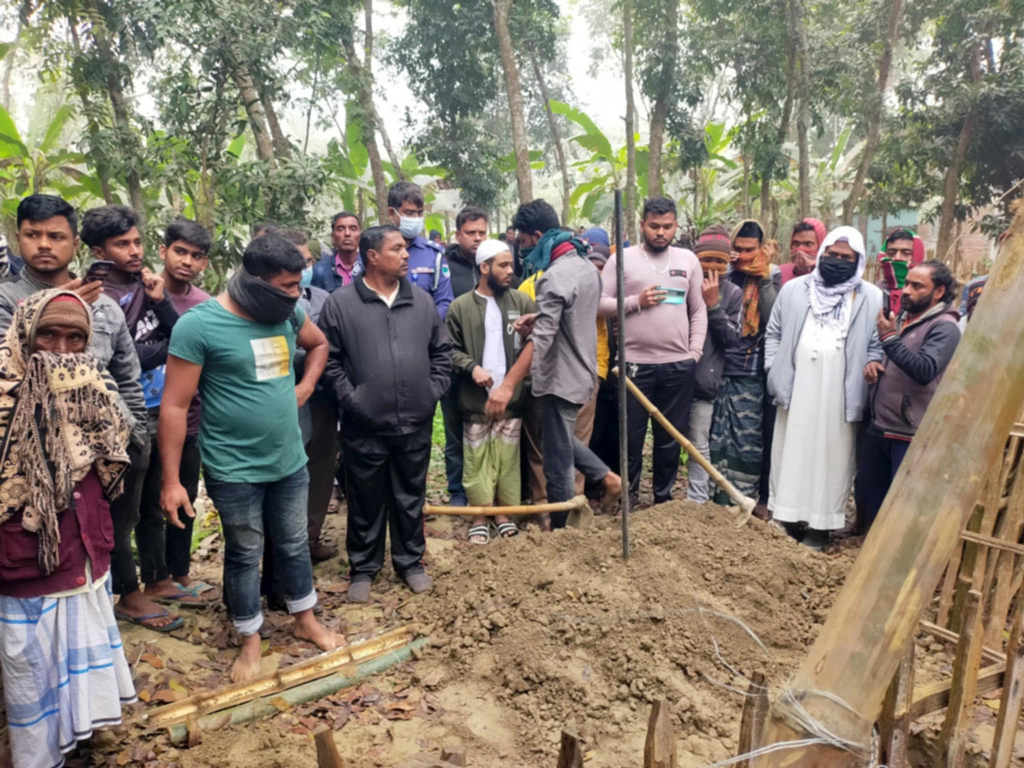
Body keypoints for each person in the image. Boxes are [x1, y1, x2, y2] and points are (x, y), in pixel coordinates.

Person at [160, 232, 341, 682]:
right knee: (244, 552)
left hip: (289, 460)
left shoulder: (287, 312)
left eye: (299, 285)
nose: (296, 295)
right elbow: (175, 406)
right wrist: (171, 480)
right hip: (234, 468)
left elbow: (318, 345)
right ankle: (250, 639)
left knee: (295, 543)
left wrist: (305, 387)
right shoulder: (199, 326)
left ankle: (305, 619)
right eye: (286, 286)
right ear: (255, 281)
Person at [0, 196, 159, 628]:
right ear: (20, 238)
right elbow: (12, 374)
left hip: (103, 455)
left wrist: (135, 436)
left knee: (104, 539)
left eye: (56, 236)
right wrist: (60, 302)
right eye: (33, 235)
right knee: (39, 557)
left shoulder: (105, 306)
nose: (44, 245)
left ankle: (102, 630)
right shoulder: (6, 300)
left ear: (75, 244)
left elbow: (127, 376)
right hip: (33, 461)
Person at [0, 290, 135, 768]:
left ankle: (78, 741)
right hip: (24, 564)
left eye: (75, 338)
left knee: (76, 664)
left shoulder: (94, 390)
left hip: (82, 553)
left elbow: (113, 459)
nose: (60, 350)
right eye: (48, 335)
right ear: (24, 333)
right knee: (28, 668)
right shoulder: (2, 392)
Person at [317, 225, 451, 603]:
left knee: (410, 494)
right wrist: (353, 399)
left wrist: (432, 392)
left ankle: (409, 563)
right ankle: (363, 567)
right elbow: (329, 361)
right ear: (372, 257)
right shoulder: (341, 304)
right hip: (364, 425)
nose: (407, 254)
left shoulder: (420, 301)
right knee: (365, 496)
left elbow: (441, 353)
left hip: (415, 421)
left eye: (406, 249)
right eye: (397, 249)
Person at [81, 205, 197, 619]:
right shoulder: (98, 295)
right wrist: (177, 349)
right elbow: (128, 358)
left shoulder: (143, 283)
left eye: (136, 242)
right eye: (121, 244)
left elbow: (176, 331)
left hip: (160, 406)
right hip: (123, 414)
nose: (134, 251)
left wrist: (161, 301)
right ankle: (127, 592)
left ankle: (157, 578)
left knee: (154, 502)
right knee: (122, 509)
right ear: (98, 249)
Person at [765, 226, 884, 549]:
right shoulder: (794, 290)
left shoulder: (871, 296)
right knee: (790, 451)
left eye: (846, 258)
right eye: (832, 255)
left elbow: (877, 344)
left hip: (840, 393)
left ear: (857, 261)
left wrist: (872, 364)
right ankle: (785, 519)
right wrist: (773, 368)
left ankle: (821, 527)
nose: (837, 261)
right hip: (795, 386)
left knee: (832, 455)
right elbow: (773, 333)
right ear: (822, 254)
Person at [513, 199, 621, 528]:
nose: (522, 247)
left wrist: (508, 383)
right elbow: (573, 316)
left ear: (537, 235)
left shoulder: (553, 276)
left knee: (557, 466)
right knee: (557, 437)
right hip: (584, 372)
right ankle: (605, 475)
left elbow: (542, 339)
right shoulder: (586, 266)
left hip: (559, 378)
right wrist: (540, 316)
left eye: (523, 240)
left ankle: (561, 534)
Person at [598, 198, 707, 505]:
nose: (661, 232)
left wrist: (693, 354)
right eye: (654, 226)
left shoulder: (688, 260)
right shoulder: (622, 260)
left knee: (669, 440)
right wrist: (635, 301)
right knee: (630, 439)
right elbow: (600, 303)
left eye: (667, 226)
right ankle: (629, 499)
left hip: (677, 366)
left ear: (676, 226)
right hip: (633, 366)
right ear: (642, 224)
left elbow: (698, 310)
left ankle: (663, 500)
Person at [135, 219, 216, 608]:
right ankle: (155, 578)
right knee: (151, 501)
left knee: (184, 494)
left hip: (190, 417)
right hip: (145, 415)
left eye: (196, 256)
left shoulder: (206, 306)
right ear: (163, 250)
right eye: (179, 251)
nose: (186, 261)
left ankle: (181, 572)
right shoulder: (139, 295)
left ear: (204, 263)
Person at [857, 261, 960, 531]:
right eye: (906, 283)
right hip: (881, 425)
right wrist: (873, 364)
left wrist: (889, 339)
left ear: (938, 292)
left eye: (917, 286)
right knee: (872, 497)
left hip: (910, 432)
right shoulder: (902, 318)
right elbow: (888, 355)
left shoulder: (945, 327)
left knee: (901, 506)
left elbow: (925, 370)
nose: (906, 290)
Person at [446, 239, 536, 544]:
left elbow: (535, 344)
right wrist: (472, 367)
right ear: (484, 268)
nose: (510, 271)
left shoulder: (522, 303)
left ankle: (503, 514)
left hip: (512, 397)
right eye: (503, 265)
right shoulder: (460, 307)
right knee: (476, 456)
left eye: (511, 264)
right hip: (475, 399)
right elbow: (449, 350)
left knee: (508, 457)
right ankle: (480, 514)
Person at [265, 227, 337, 563]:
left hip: (320, 397)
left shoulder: (322, 299)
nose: (306, 267)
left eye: (309, 261)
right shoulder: (261, 302)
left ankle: (310, 538)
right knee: (285, 474)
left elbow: (329, 344)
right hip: (279, 402)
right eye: (299, 261)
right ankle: (280, 549)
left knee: (320, 468)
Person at [708, 219, 780, 511]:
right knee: (716, 434)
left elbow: (773, 315)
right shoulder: (721, 272)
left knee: (747, 436)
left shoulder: (771, 275)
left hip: (751, 368)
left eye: (750, 250)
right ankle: (716, 496)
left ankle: (744, 497)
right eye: (737, 249)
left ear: (760, 249)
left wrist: (762, 278)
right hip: (718, 364)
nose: (743, 255)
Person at [686, 226, 743, 503]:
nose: (712, 267)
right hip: (674, 376)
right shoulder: (684, 284)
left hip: (704, 383)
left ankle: (696, 502)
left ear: (728, 263)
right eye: (706, 259)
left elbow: (732, 337)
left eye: (719, 261)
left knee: (698, 443)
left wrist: (713, 306)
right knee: (667, 440)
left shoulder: (732, 294)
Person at [440, 206, 490, 507]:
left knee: (487, 427)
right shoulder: (445, 266)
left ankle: (487, 487)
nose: (477, 238)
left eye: (482, 232)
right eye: (470, 233)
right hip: (452, 363)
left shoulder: (496, 265)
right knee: (454, 430)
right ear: (457, 234)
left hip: (489, 364)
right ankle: (458, 491)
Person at [386, 181, 454, 318]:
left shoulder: (434, 254)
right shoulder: (373, 252)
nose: (416, 218)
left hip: (425, 333)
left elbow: (445, 302)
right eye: (409, 213)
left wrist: (424, 326)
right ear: (391, 213)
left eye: (420, 213)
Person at [878, 228, 925, 315]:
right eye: (891, 253)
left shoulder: (926, 292)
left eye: (906, 253)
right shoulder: (877, 290)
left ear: (917, 256)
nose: (897, 258)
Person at [312, 211, 362, 293]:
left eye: (353, 228)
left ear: (360, 236)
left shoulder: (371, 267)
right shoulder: (318, 270)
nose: (347, 233)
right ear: (333, 237)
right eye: (341, 229)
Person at [781, 218, 826, 286]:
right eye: (796, 243)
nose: (800, 250)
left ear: (820, 246)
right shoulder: (780, 273)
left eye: (808, 244)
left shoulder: (828, 278)